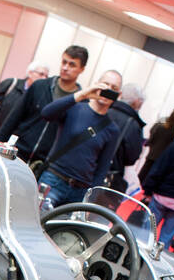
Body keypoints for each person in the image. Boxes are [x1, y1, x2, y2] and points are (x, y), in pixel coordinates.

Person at [34, 70, 125, 209]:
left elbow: (102, 169)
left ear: (118, 95)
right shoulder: (75, 108)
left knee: (63, 230)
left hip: (80, 191)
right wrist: (83, 94)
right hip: (54, 180)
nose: (108, 90)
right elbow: (47, 113)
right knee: (37, 221)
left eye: (114, 88)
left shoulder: (112, 130)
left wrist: (89, 200)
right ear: (96, 84)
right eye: (105, 85)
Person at [0, 46, 87, 164]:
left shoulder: (80, 102)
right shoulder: (40, 86)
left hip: (45, 164)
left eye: (72, 65)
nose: (65, 68)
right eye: (64, 62)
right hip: (17, 152)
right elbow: (14, 117)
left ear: (82, 69)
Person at [0, 61, 47, 140]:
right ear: (30, 73)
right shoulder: (11, 84)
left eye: (46, 76)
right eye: (41, 74)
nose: (44, 78)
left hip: (11, 140)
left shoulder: (38, 96)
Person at [101, 83, 145, 192]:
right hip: (108, 179)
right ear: (137, 101)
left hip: (85, 171)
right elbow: (131, 158)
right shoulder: (133, 125)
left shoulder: (104, 111)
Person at [139, 107, 174, 181]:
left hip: (154, 149)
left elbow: (153, 130)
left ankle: (138, 184)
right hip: (162, 153)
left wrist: (150, 142)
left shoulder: (162, 121)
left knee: (145, 169)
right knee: (153, 172)